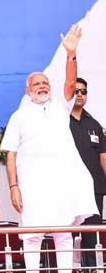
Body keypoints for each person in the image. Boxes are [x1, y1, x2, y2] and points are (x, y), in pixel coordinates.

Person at [1, 24, 97, 273]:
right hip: (31, 185)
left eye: (45, 82)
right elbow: (10, 154)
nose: (42, 86)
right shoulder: (19, 116)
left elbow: (70, 82)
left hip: (60, 182)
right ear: (28, 90)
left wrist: (71, 54)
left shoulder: (60, 106)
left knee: (63, 234)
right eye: (37, 84)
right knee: (32, 235)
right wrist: (13, 187)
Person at [69, 77, 106, 268]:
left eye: (83, 91)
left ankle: (92, 269)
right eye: (75, 91)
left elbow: (103, 157)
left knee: (93, 235)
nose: (80, 95)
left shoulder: (94, 124)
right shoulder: (59, 122)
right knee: (68, 235)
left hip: (94, 189)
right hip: (69, 189)